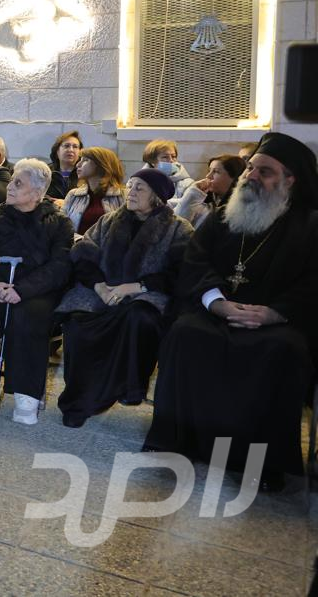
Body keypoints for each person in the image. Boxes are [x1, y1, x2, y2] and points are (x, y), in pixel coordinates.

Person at [144, 132, 318, 490]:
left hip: (276, 320)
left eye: (264, 172)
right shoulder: (225, 214)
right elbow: (196, 260)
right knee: (185, 334)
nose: (251, 176)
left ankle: (263, 463)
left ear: (290, 179)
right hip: (217, 308)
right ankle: (175, 441)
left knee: (282, 350)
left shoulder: (310, 225)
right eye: (251, 168)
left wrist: (274, 313)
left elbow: (313, 283)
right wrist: (216, 301)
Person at [55, 169, 193, 428]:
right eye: (130, 186)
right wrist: (100, 287)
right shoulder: (108, 221)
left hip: (146, 294)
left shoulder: (178, 228)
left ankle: (127, 388)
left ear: (157, 196)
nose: (131, 192)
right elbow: (83, 254)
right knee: (78, 323)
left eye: (140, 188)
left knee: (139, 318)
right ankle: (80, 399)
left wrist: (135, 287)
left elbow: (180, 273)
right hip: (102, 290)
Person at [0, 159, 73, 424]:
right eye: (11, 181)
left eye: (18, 183)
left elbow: (59, 266)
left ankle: (26, 392)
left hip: (36, 292)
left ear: (37, 192)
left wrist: (23, 289)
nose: (9, 187)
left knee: (29, 316)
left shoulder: (59, 223)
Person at [61, 146, 126, 235]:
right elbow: (62, 228)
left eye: (85, 160)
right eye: (80, 160)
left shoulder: (124, 196)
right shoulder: (73, 195)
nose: (78, 165)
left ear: (101, 165)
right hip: (77, 243)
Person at [174, 154, 247, 230]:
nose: (208, 176)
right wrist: (192, 195)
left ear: (235, 178)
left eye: (216, 172)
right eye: (209, 171)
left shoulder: (238, 212)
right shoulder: (201, 200)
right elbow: (176, 227)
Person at [140, 139, 195, 206]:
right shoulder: (138, 182)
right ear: (152, 162)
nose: (171, 160)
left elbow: (188, 205)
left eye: (173, 156)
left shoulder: (188, 183)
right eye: (165, 157)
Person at [47, 131, 83, 203]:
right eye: (66, 146)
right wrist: (52, 201)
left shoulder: (86, 172)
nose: (71, 150)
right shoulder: (46, 171)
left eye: (75, 147)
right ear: (57, 151)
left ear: (80, 152)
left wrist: (66, 203)